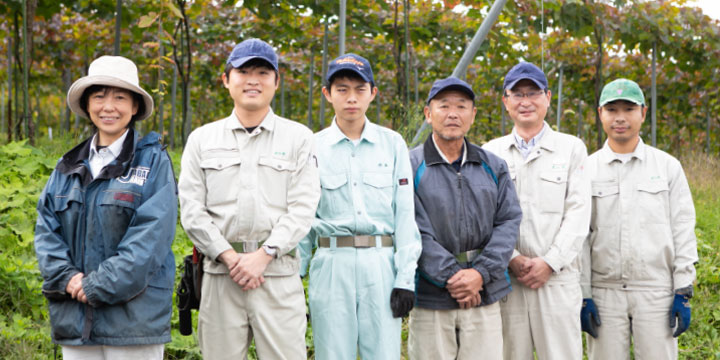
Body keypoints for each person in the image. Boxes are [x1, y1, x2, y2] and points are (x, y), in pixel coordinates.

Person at [178, 38, 320, 359]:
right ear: (226, 79)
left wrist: (264, 255)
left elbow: (303, 207)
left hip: (278, 275)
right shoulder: (202, 139)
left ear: (276, 82)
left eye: (262, 72)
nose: (253, 80)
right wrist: (229, 257)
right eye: (243, 71)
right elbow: (191, 210)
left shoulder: (299, 138)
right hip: (219, 276)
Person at [34, 55, 177, 360]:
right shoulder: (67, 166)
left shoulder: (152, 162)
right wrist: (67, 278)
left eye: (120, 97)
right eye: (99, 96)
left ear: (135, 106)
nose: (108, 106)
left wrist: (97, 285)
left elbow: (150, 238)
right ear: (87, 104)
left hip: (133, 322)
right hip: (74, 318)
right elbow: (46, 230)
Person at [297, 53, 421, 360]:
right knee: (332, 353)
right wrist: (293, 278)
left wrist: (405, 278)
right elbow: (302, 217)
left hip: (381, 264)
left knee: (383, 353)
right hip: (331, 262)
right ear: (327, 94)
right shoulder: (312, 146)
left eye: (359, 89)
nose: (351, 98)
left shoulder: (392, 144)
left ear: (373, 93)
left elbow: (405, 215)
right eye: (342, 89)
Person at [580, 78, 698, 359]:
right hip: (604, 292)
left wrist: (682, 289)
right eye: (612, 109)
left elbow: (682, 227)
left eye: (629, 109)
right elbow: (580, 236)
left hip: (655, 292)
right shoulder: (586, 169)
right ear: (600, 114)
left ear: (643, 113)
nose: (620, 118)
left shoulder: (667, 167)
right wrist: (583, 293)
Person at [407, 76, 522, 360]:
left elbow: (508, 222)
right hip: (430, 296)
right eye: (444, 106)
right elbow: (411, 227)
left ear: (473, 114)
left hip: (484, 293)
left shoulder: (493, 165)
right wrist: (453, 277)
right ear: (428, 113)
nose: (453, 114)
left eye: (461, 106)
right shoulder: (410, 166)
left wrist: (480, 274)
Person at [482, 62, 591, 360]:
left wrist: (549, 262)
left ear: (547, 98)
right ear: (505, 101)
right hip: (507, 280)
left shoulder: (571, 148)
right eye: (517, 94)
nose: (525, 101)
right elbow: (485, 217)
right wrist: (512, 258)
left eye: (533, 93)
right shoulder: (491, 152)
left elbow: (579, 213)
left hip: (556, 280)